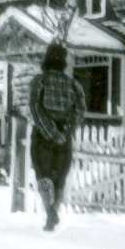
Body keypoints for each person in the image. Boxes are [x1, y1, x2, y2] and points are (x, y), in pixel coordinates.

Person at [27, 43, 85, 231]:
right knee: (59, 178)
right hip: (64, 138)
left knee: (43, 174)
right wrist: (65, 131)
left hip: (43, 137)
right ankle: (53, 213)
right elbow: (80, 111)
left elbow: (35, 108)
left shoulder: (39, 81)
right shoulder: (74, 85)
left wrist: (50, 131)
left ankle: (50, 212)